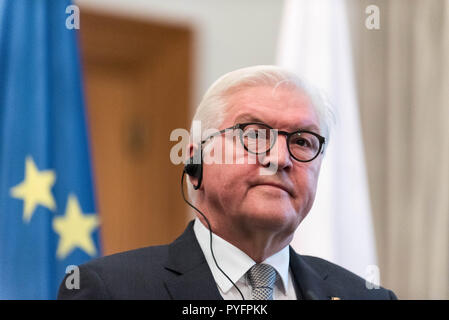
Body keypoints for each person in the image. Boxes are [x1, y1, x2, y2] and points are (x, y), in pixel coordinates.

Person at [58, 66, 397, 300]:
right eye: (253, 134)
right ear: (195, 162)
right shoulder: (112, 290)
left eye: (302, 141)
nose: (280, 158)